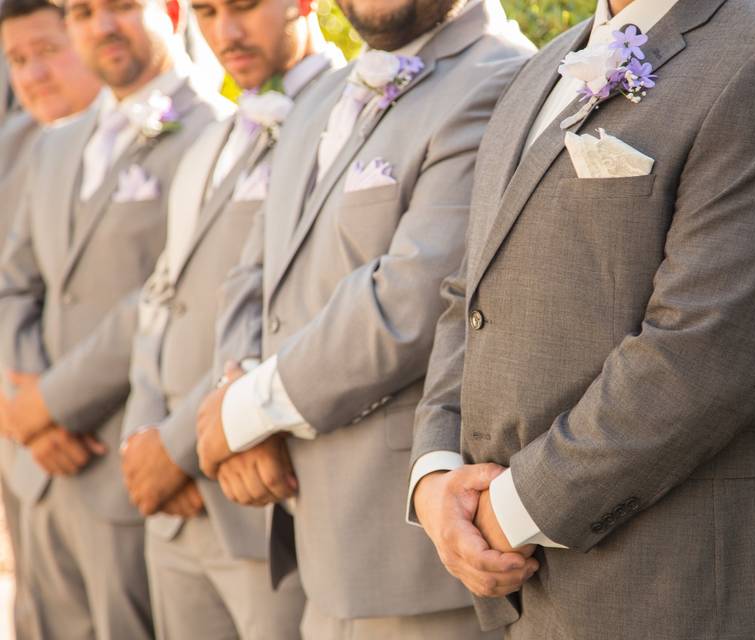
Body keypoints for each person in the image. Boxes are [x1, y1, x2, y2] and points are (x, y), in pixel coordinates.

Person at [409, 0, 755, 638]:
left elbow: (704, 351)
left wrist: (507, 514)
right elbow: (470, 293)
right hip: (528, 597)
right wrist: (435, 479)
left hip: (687, 590)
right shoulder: (542, 69)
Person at [194, 0, 534, 636]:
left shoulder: (503, 78)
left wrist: (244, 413)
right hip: (305, 539)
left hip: (407, 557)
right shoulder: (320, 98)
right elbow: (252, 273)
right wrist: (231, 389)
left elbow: (411, 299)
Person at [0, 0, 230, 633]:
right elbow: (14, 283)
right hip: (37, 471)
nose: (101, 26)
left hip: (129, 464)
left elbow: (170, 292)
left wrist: (48, 402)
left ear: (172, 10)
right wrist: (27, 414)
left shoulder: (217, 133)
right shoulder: (54, 144)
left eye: (122, 6)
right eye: (81, 12)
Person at [118, 0, 344, 635]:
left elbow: (312, 303)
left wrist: (180, 447)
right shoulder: (215, 133)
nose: (225, 33)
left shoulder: (347, 112)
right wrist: (144, 438)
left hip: (262, 502)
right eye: (208, 11)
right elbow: (161, 296)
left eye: (244, 7)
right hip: (171, 503)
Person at [0, 0, 101, 635]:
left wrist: (54, 405)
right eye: (17, 61)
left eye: (47, 51)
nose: (34, 75)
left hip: (109, 446)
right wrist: (20, 402)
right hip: (20, 444)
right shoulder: (13, 147)